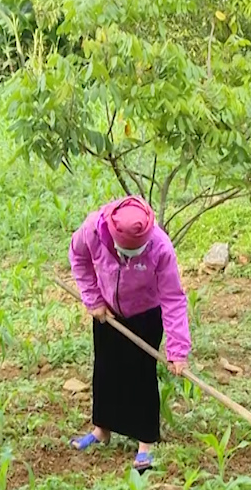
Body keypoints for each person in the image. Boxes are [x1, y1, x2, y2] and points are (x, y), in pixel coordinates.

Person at [67, 195, 191, 473]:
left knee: (141, 374)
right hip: (107, 311)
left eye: (134, 253)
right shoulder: (93, 230)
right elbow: (78, 256)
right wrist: (93, 300)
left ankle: (146, 442)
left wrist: (178, 350)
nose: (127, 258)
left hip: (146, 312)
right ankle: (102, 429)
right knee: (106, 370)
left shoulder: (160, 247)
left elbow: (173, 298)